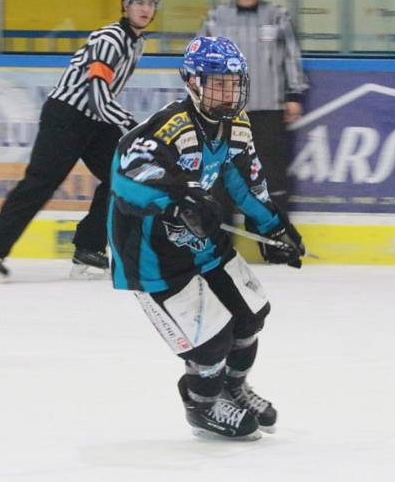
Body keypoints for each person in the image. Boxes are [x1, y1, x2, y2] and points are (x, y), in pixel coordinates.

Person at [107, 36, 306, 440]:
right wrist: (179, 194)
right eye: (218, 83)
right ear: (193, 84)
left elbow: (246, 184)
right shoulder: (172, 126)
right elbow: (126, 176)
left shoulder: (237, 126)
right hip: (150, 252)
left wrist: (274, 228)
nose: (228, 92)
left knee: (251, 314)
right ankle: (202, 401)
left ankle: (232, 388)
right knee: (211, 342)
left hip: (199, 238)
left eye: (233, 83)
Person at [0, 0, 160, 280]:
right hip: (66, 117)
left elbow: (102, 103)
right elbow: (98, 97)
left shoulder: (138, 42)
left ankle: (88, 247)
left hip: (95, 123)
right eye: (138, 2)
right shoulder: (110, 39)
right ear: (125, 5)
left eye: (150, 3)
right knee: (40, 183)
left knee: (123, 174)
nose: (145, 8)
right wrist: (133, 126)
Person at [202, 0, 308, 209]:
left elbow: (291, 56)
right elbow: (201, 61)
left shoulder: (277, 17)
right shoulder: (217, 20)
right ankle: (221, 244)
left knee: (272, 178)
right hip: (226, 113)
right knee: (222, 177)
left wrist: (294, 95)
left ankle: (277, 242)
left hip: (268, 112)